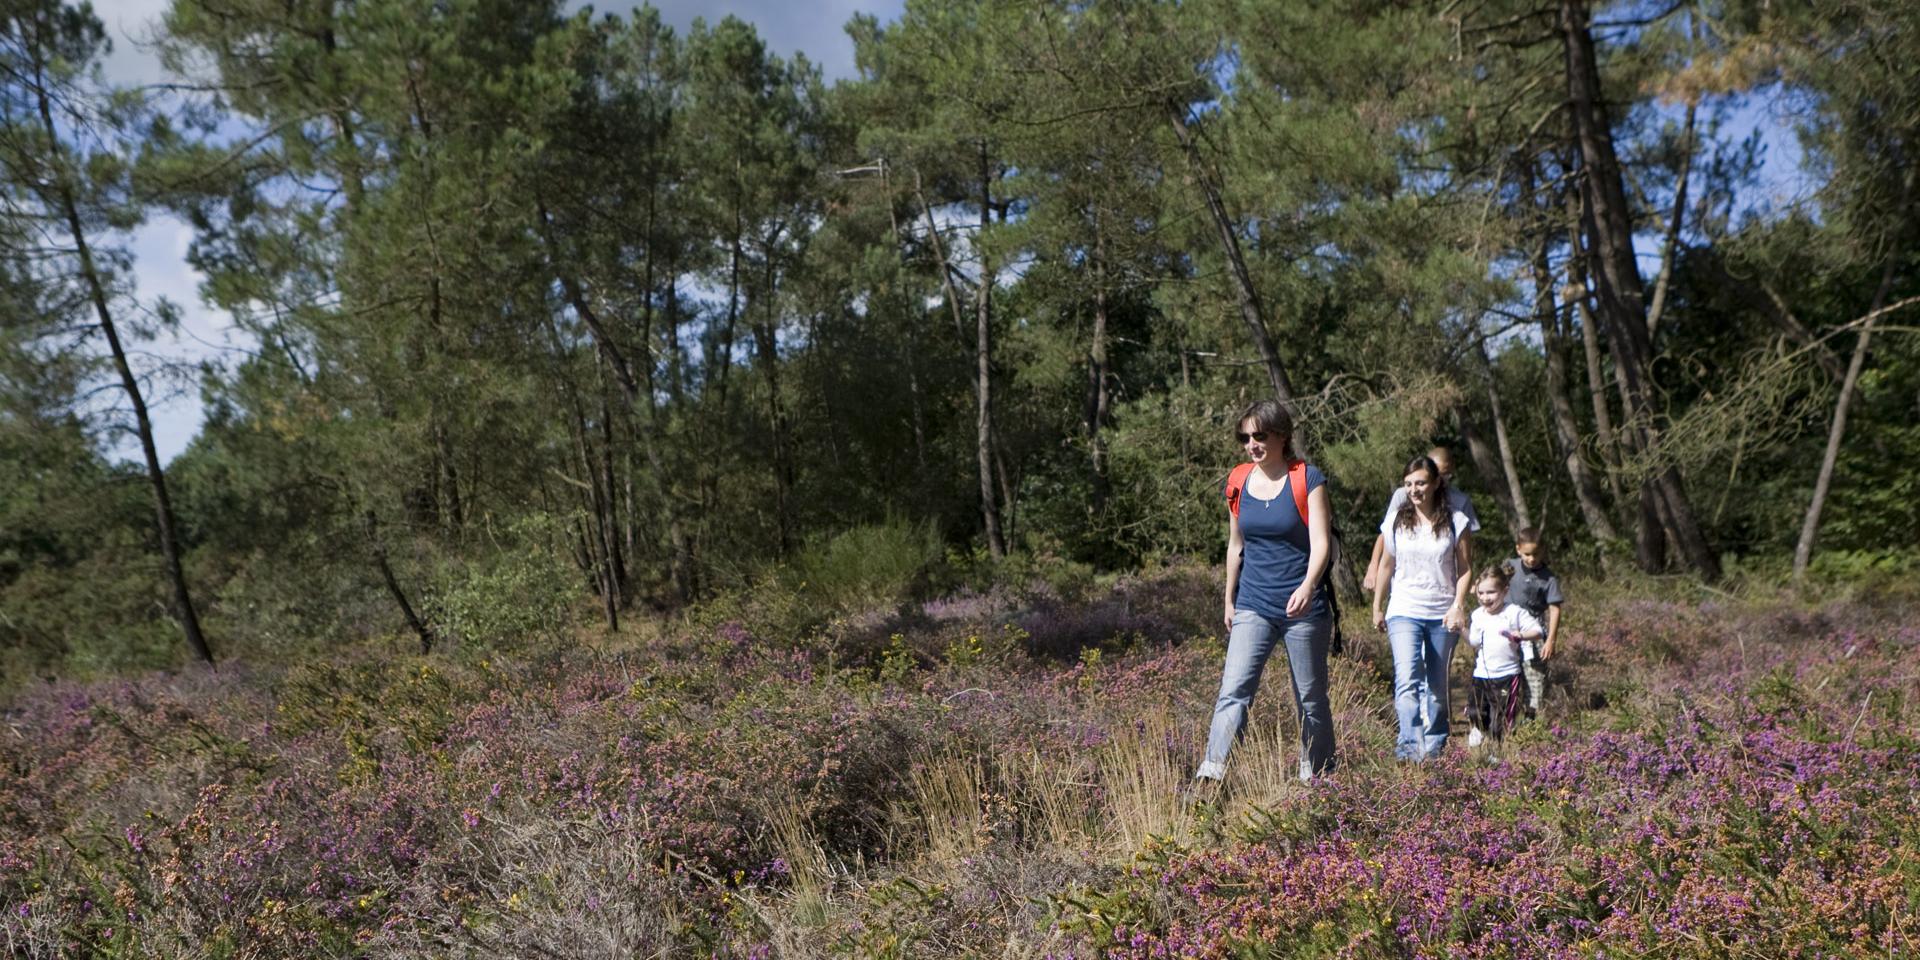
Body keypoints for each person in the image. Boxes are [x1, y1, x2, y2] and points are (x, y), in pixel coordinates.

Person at [1196, 399, 1335, 786]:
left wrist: (1308, 586)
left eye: (1259, 435)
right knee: (1234, 691)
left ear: (1281, 436)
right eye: (1245, 437)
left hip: (1302, 609)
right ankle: (1212, 774)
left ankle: (1318, 778)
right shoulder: (1238, 480)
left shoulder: (1307, 478)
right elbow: (1235, 545)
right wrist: (1229, 598)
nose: (1251, 444)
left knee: (1310, 701)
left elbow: (1321, 543)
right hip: (1254, 603)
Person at [1370, 454, 1474, 761]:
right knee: (1406, 679)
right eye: (1408, 484)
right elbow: (1387, 566)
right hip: (1403, 609)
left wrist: (1458, 605)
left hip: (1442, 612)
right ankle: (1409, 749)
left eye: (1420, 483)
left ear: (1436, 483)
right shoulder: (1395, 521)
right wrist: (1377, 606)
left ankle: (1434, 747)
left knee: (1437, 686)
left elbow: (1466, 568)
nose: (1414, 490)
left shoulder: (1457, 521)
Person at [1362, 446, 1480, 593]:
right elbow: (1386, 535)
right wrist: (1373, 567)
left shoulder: (1461, 501)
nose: (1442, 479)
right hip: (1407, 583)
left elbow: (1467, 546)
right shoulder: (1404, 495)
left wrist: (1465, 577)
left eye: (1446, 475)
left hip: (1443, 584)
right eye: (1436, 472)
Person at [1465, 564, 1543, 754]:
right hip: (1481, 674)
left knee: (1498, 719)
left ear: (1505, 591)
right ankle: (1477, 729)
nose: (1485, 598)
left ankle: (1495, 755)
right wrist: (1460, 629)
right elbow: (1474, 641)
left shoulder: (1514, 612)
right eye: (1481, 593)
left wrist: (1521, 635)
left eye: (1491, 592)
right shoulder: (1477, 615)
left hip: (1508, 675)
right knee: (1475, 712)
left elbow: (1538, 631)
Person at [1504, 527, 1565, 718]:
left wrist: (1551, 640)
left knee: (1535, 677)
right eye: (1527, 554)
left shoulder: (1549, 578)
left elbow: (1555, 609)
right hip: (1507, 629)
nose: (1531, 559)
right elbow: (1493, 585)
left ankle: (1531, 719)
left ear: (1543, 551)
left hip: (1533, 633)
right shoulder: (1509, 567)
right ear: (1518, 549)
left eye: (1536, 554)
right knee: (1506, 674)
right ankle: (1505, 716)